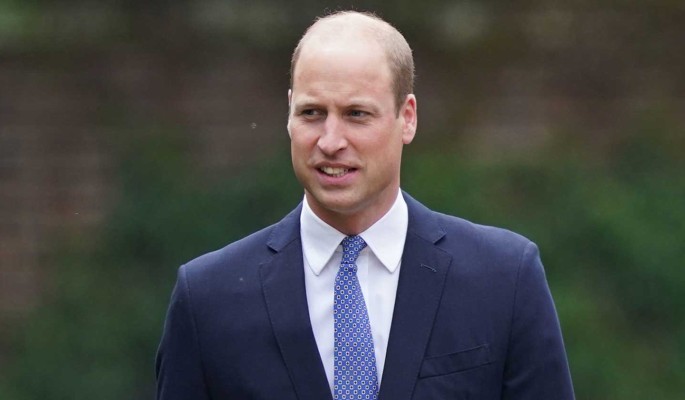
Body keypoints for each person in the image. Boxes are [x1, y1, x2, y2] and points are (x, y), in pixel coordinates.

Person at [156, 10, 575, 400]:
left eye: (356, 114)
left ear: (407, 118)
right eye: (312, 112)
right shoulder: (208, 299)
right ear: (289, 114)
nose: (330, 141)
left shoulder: (504, 279)